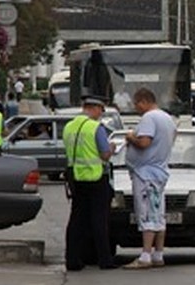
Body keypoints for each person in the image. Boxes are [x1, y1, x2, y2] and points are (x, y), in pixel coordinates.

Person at [122, 87, 176, 269]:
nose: (136, 108)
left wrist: (131, 138)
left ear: (144, 101)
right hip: (159, 171)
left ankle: (145, 255)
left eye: (136, 104)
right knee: (158, 214)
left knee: (147, 214)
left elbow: (145, 142)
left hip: (146, 174)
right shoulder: (167, 118)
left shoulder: (149, 118)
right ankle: (158, 254)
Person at [63, 96, 117, 271]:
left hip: (76, 179)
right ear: (94, 108)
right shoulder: (95, 128)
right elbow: (104, 155)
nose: (101, 114)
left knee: (76, 220)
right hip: (95, 178)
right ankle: (104, 259)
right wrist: (112, 149)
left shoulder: (69, 127)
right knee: (99, 220)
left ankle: (72, 260)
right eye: (101, 110)